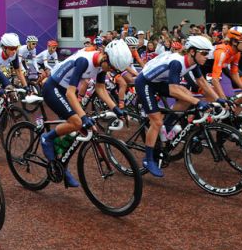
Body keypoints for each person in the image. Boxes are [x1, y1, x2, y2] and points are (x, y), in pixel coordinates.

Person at [39, 40, 133, 187]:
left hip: (64, 91)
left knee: (82, 128)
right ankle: (47, 139)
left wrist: (116, 109)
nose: (109, 71)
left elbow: (100, 89)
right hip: (53, 88)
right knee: (78, 122)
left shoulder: (103, 64)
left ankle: (60, 164)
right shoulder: (84, 61)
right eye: (111, 67)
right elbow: (71, 93)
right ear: (105, 57)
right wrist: (83, 117)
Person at [134, 36, 221, 177]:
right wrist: (198, 102)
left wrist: (219, 99)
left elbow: (203, 83)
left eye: (207, 53)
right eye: (204, 53)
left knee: (187, 96)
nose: (207, 57)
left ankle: (167, 128)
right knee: (156, 121)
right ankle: (148, 159)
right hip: (144, 83)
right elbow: (174, 90)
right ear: (192, 51)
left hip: (158, 82)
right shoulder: (177, 63)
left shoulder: (193, 62)